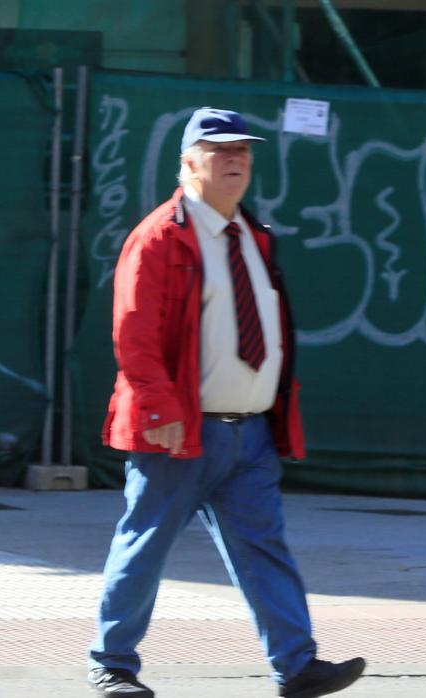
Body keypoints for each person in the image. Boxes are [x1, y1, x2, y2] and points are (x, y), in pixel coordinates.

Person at [88, 107, 364, 698]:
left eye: (242, 150)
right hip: (179, 432)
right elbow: (133, 334)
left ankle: (296, 664)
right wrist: (159, 410)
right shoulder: (160, 236)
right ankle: (112, 663)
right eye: (219, 151)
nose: (234, 160)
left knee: (264, 548)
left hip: (250, 434)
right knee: (145, 545)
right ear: (188, 163)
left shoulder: (253, 236)